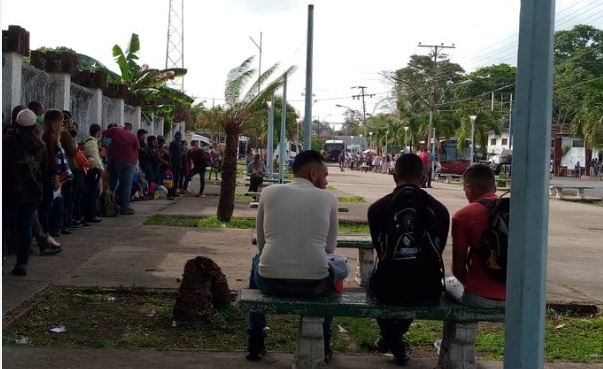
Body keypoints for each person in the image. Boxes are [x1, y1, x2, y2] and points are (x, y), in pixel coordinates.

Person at [246, 150, 340, 363]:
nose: (326, 181)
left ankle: (256, 339)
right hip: (315, 287)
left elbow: (261, 245)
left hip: (271, 283)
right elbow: (330, 249)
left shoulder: (269, 192)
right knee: (337, 267)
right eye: (325, 176)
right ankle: (324, 342)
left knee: (256, 259)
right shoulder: (328, 198)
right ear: (314, 174)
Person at [366, 153, 449, 365]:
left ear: (395, 177)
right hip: (427, 290)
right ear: (423, 178)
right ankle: (393, 338)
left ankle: (392, 339)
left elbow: (382, 254)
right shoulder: (440, 210)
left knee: (374, 281)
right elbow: (436, 253)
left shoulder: (376, 208)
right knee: (415, 272)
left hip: (388, 289)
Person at [3, 109, 63, 276]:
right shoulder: (39, 145)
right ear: (34, 125)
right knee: (26, 228)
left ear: (16, 124)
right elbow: (46, 169)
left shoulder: (7, 143)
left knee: (4, 227)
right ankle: (22, 264)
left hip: (10, 191)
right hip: (32, 193)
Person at [447, 164, 505, 309]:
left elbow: (458, 271)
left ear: (469, 188)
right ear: (494, 188)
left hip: (478, 297)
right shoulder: (513, 211)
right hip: (515, 297)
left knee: (447, 283)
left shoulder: (463, 216)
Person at [103, 124, 140, 214]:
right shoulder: (132, 135)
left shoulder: (114, 130)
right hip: (130, 161)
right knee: (126, 185)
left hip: (115, 160)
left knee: (113, 183)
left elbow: (102, 134)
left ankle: (109, 204)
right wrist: (135, 162)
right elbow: (137, 148)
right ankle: (125, 206)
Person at [81, 124, 104, 223]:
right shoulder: (92, 143)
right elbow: (94, 158)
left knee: (93, 192)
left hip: (92, 169)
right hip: (93, 170)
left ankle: (91, 213)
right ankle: (90, 215)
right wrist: (101, 169)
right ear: (98, 132)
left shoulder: (90, 141)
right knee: (92, 193)